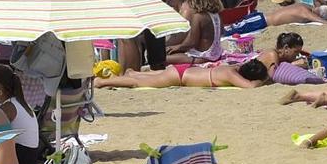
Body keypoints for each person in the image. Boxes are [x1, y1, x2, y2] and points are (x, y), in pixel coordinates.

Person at [100, 59, 271, 90]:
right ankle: (103, 82)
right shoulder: (231, 75)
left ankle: (134, 73)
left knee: (151, 78)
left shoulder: (234, 68)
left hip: (183, 70)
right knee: (139, 84)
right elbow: (250, 86)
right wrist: (262, 81)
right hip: (180, 77)